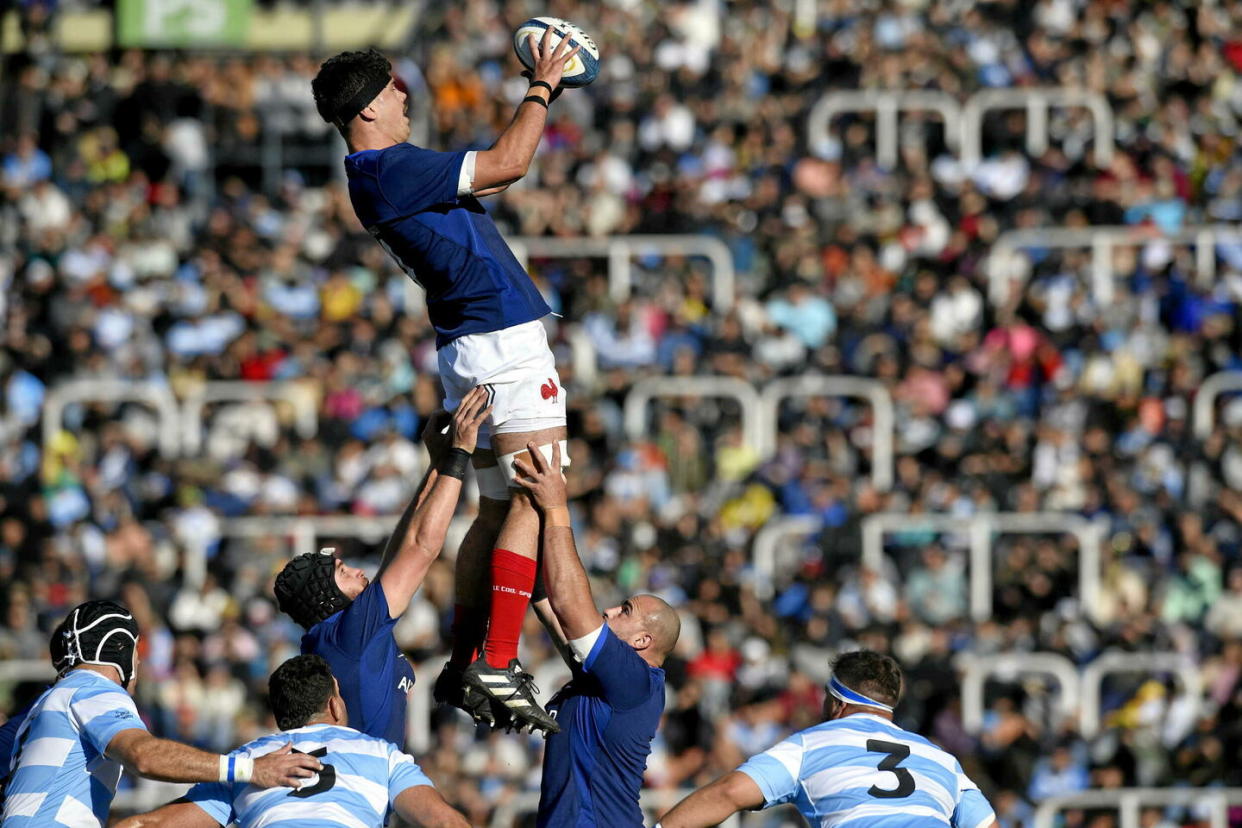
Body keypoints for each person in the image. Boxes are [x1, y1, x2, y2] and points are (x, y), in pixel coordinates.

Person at [309, 30, 583, 734]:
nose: (406, 94)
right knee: (535, 497)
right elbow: (511, 161)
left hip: (471, 344)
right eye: (393, 87)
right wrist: (544, 83)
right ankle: (495, 657)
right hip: (500, 341)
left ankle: (469, 656)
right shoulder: (386, 167)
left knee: (496, 513)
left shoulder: (375, 174)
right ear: (368, 108)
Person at [272, 388, 494, 744]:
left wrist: (436, 465)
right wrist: (459, 454)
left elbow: (400, 550)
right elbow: (422, 547)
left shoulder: (333, 635)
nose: (359, 571)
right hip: (369, 792)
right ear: (326, 595)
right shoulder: (350, 632)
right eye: (343, 572)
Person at [0, 601, 321, 827]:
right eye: (138, 653)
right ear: (122, 650)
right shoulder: (93, 687)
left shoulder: (50, 700)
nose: (140, 665)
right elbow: (144, 755)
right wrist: (251, 769)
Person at [511, 442, 682, 827]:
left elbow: (571, 607)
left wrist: (557, 505)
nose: (609, 611)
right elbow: (547, 598)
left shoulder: (634, 680)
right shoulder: (607, 678)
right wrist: (525, 510)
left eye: (626, 611)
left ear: (642, 642)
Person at [113, 654, 468, 828]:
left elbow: (149, 825)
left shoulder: (249, 762)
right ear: (335, 704)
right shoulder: (381, 754)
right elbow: (443, 823)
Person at [656, 650, 997, 828]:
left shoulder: (809, 745)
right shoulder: (940, 758)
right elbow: (986, 824)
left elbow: (729, 792)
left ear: (836, 703)